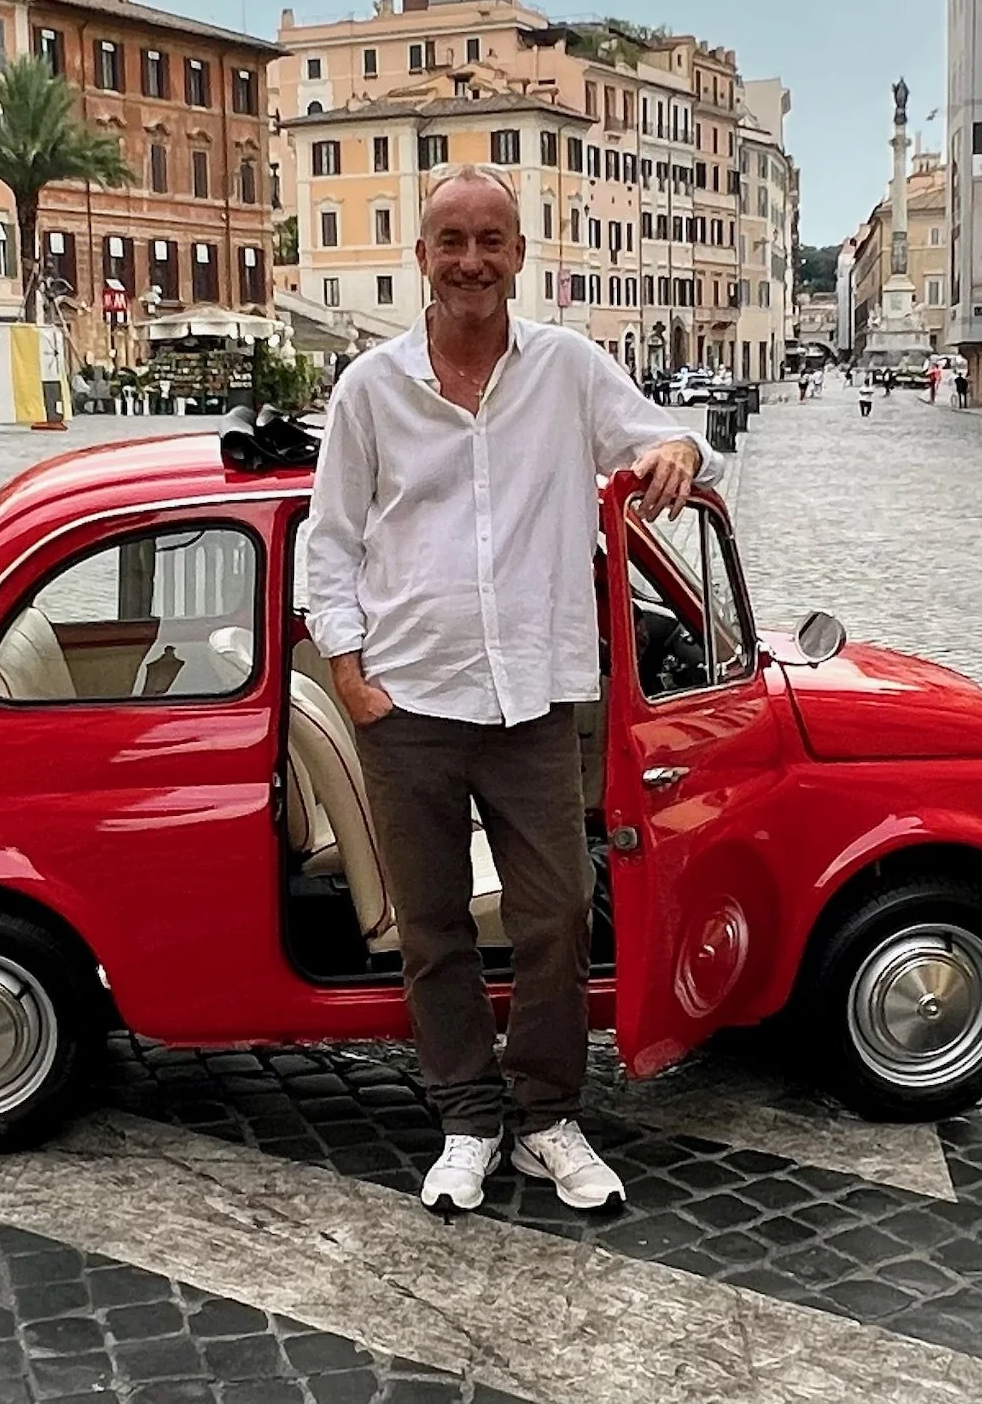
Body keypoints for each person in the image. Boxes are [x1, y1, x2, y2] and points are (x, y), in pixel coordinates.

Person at [306, 164, 723, 1218]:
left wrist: (679, 447)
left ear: (520, 255)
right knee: (433, 925)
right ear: (421, 257)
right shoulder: (370, 389)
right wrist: (350, 671)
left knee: (558, 914)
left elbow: (667, 437)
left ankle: (545, 1116)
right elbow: (332, 539)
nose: (471, 260)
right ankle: (465, 1118)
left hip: (534, 698)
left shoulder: (569, 369)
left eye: (491, 239)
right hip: (408, 702)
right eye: (452, 240)